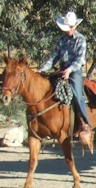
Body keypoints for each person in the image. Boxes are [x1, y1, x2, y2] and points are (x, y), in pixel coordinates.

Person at [39, 11, 92, 147]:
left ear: (74, 26)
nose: (68, 31)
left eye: (70, 28)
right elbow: (54, 57)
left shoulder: (80, 39)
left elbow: (80, 59)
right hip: (62, 69)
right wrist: (42, 69)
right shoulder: (61, 40)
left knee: (77, 93)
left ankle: (84, 123)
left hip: (74, 70)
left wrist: (69, 70)